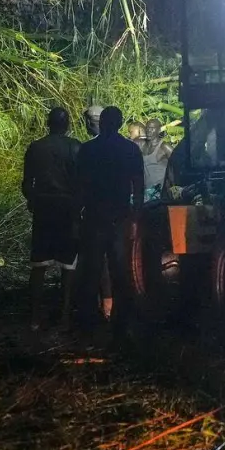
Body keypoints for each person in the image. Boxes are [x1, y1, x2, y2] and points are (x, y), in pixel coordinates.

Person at [73, 105, 144, 343]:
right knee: (121, 271)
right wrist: (136, 215)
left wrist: (77, 216)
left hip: (94, 217)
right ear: (120, 124)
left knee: (91, 271)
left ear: (102, 123)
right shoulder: (130, 150)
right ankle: (122, 323)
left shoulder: (88, 150)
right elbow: (138, 186)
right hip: (120, 218)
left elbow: (80, 187)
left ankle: (88, 323)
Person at [24, 107, 82, 329]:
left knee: (39, 264)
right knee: (68, 266)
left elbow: (27, 183)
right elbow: (81, 183)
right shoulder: (75, 147)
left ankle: (34, 317)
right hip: (67, 210)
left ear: (48, 123)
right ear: (67, 125)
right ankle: (65, 315)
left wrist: (33, 200)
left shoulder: (36, 147)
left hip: (44, 209)